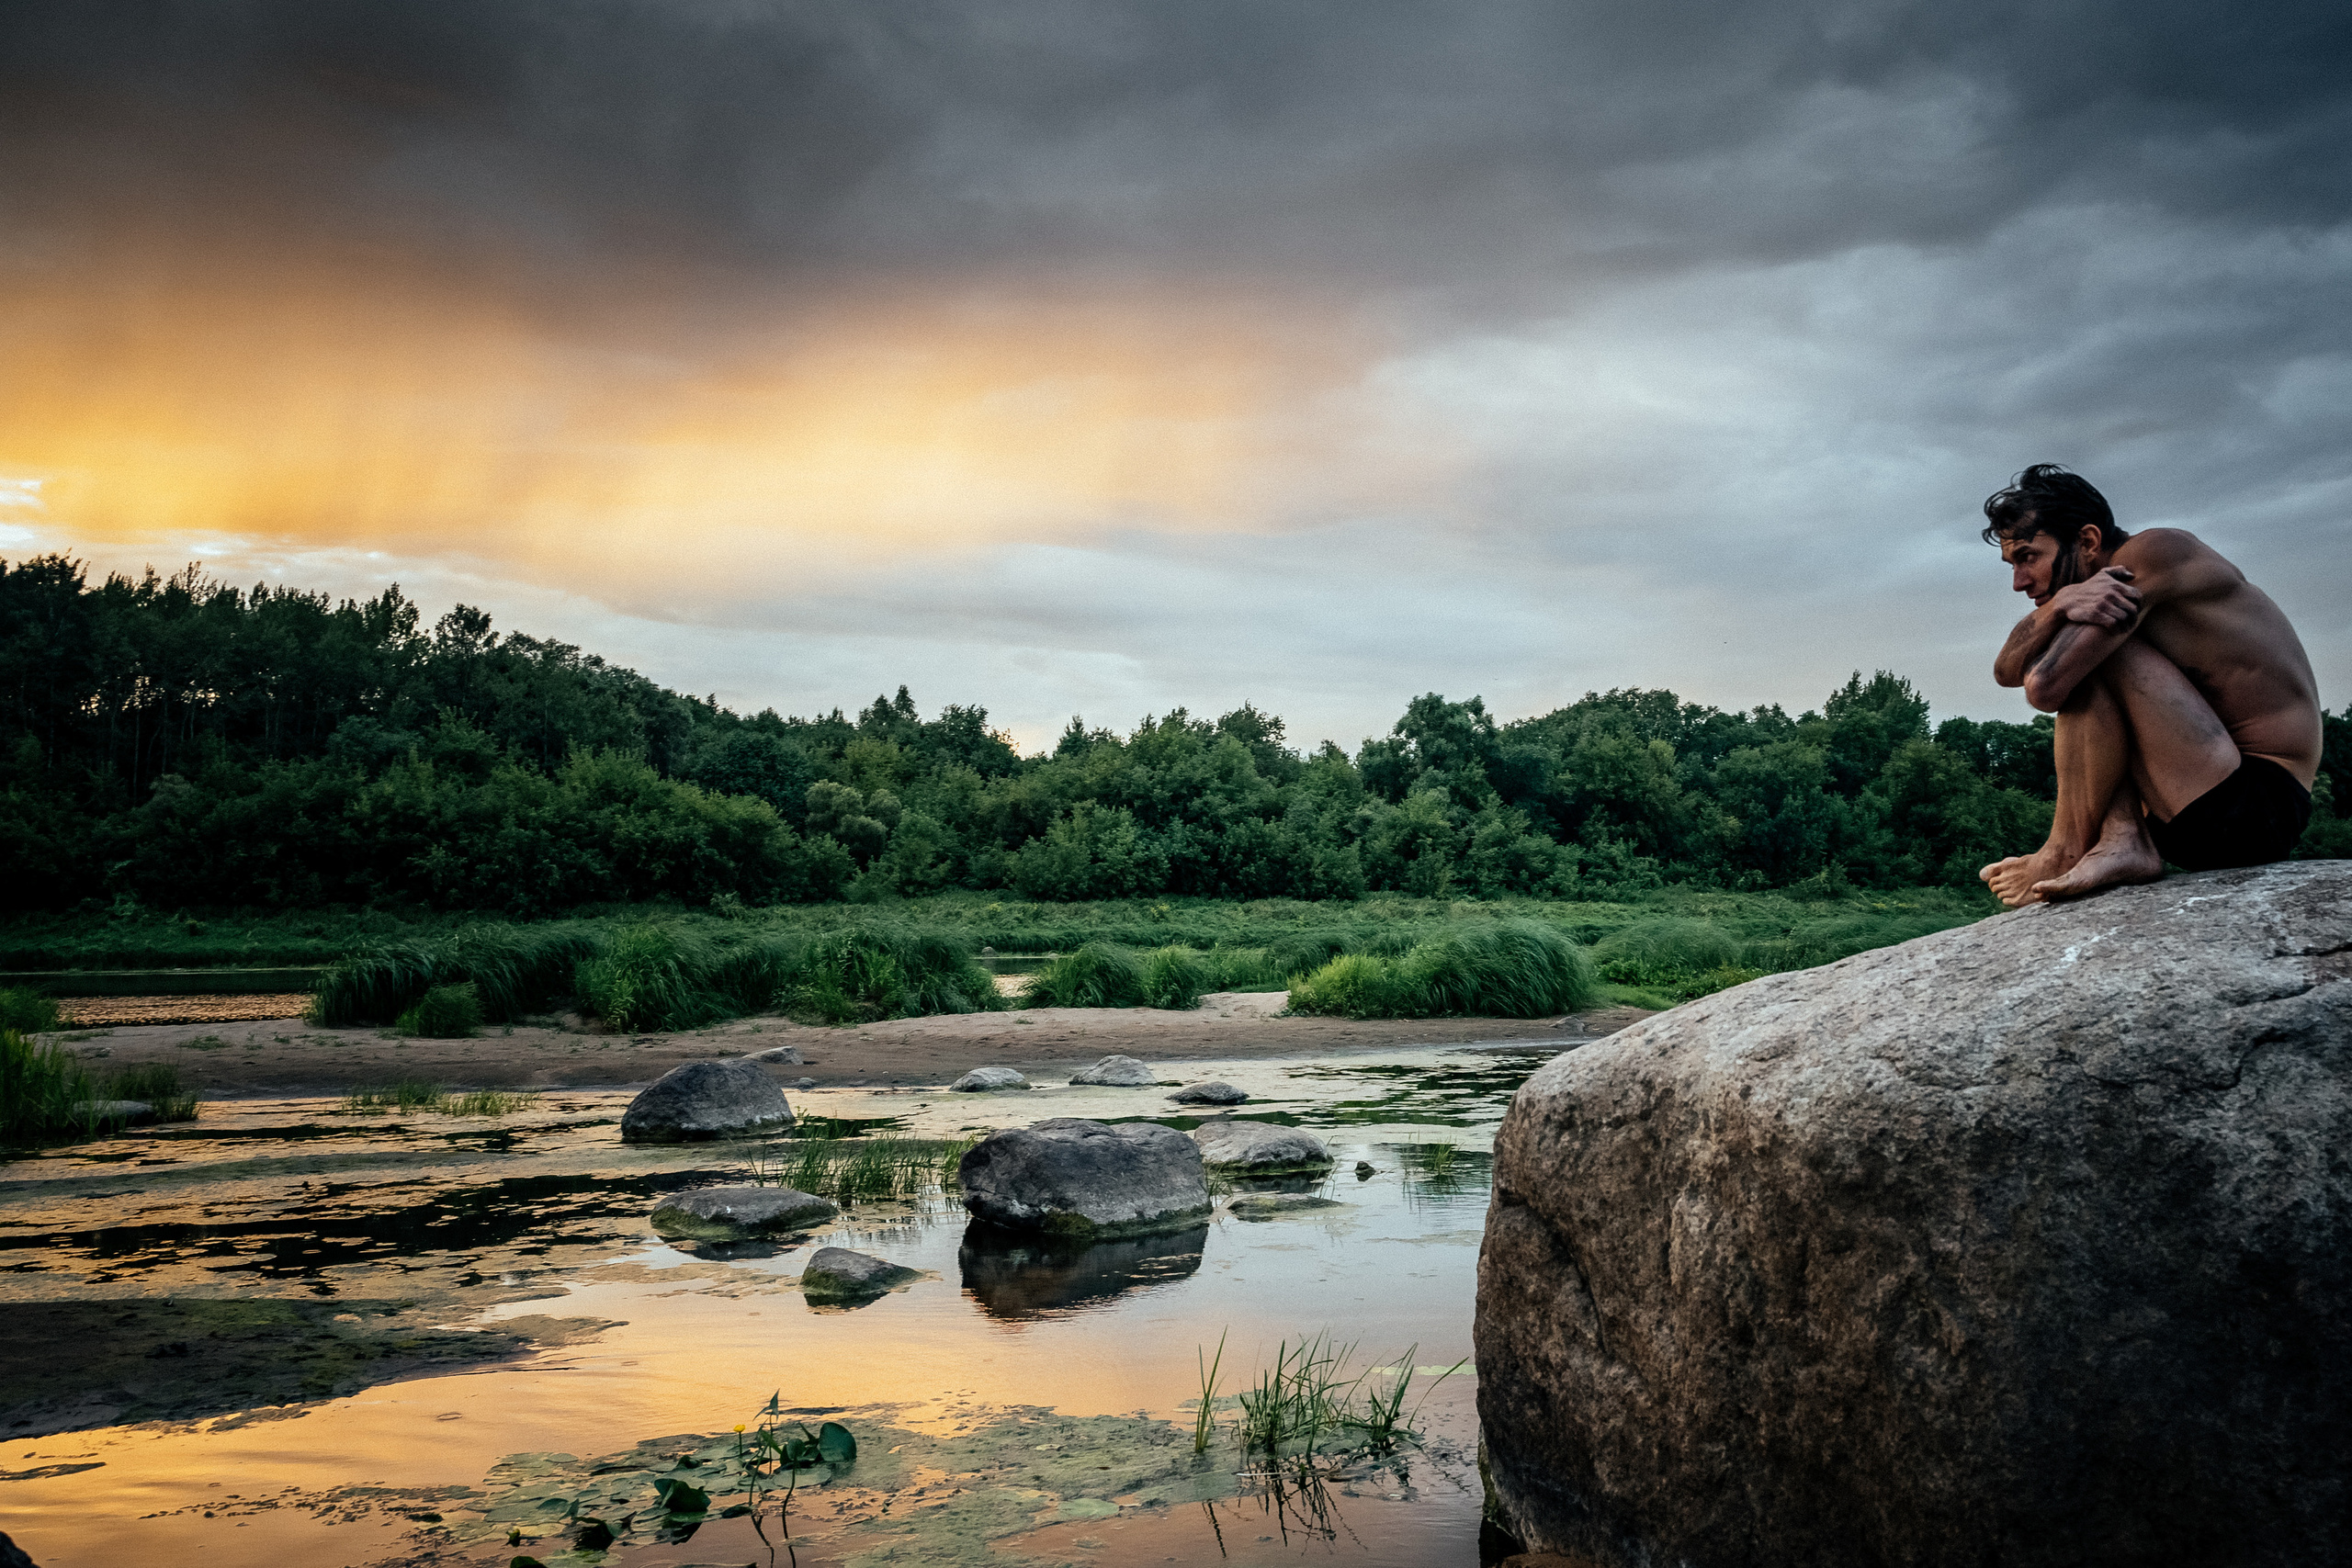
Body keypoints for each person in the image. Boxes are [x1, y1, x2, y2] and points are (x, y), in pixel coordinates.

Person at [1974, 464, 2321, 907]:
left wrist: (2060, 612)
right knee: (2091, 656)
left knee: (2093, 659)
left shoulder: (2159, 553)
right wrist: (2060, 603)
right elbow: (2006, 671)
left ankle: (2064, 850)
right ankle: (2125, 840)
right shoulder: (2093, 596)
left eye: (2028, 557)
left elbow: (2044, 686)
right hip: (2186, 803)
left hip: (2257, 807)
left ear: (2087, 541)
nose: (2019, 582)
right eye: (2013, 564)